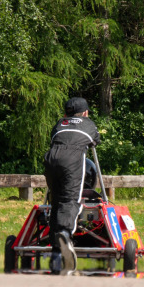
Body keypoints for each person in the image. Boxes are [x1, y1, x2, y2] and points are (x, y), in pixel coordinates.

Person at [44, 97, 100, 275]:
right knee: (70, 200)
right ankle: (65, 234)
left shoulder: (59, 124)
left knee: (56, 202)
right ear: (85, 113)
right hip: (72, 160)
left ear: (65, 113)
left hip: (51, 159)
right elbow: (95, 141)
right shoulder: (87, 124)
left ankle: (56, 257)